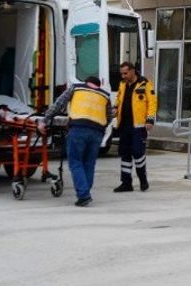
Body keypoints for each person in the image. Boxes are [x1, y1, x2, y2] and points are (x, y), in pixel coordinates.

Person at [40, 76, 113, 207]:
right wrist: (100, 127)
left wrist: (45, 120)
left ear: (86, 83)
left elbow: (59, 104)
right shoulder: (105, 96)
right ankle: (85, 192)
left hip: (79, 129)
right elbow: (109, 117)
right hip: (97, 132)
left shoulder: (76, 88)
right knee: (89, 163)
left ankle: (84, 195)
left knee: (76, 162)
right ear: (98, 86)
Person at [114, 61, 157, 192]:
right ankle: (126, 183)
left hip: (138, 127)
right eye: (122, 74)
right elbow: (119, 99)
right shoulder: (122, 84)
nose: (123, 76)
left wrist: (150, 120)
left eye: (125, 73)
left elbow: (152, 102)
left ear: (133, 71)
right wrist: (115, 109)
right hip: (124, 126)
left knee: (138, 153)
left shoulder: (145, 83)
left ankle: (143, 180)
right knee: (125, 155)